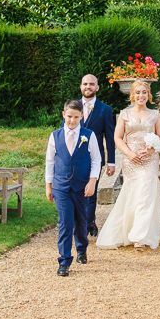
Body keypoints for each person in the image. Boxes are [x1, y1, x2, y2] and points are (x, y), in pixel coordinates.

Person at [97, 80, 160, 250]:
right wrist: (129, 154)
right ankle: (127, 230)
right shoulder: (125, 114)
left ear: (148, 94)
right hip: (131, 160)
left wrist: (152, 149)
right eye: (138, 92)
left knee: (146, 192)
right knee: (133, 193)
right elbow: (117, 137)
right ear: (132, 95)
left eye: (144, 92)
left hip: (149, 159)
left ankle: (139, 236)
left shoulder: (155, 114)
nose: (141, 95)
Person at [44, 99, 101, 276]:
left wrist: (92, 181)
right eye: (69, 116)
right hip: (61, 186)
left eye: (76, 117)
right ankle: (64, 261)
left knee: (81, 221)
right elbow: (50, 162)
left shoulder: (88, 135)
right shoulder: (55, 136)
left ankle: (81, 249)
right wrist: (48, 185)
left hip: (82, 186)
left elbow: (96, 159)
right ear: (63, 114)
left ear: (81, 116)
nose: (72, 120)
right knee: (65, 222)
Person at [77, 73, 116, 237]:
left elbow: (110, 137)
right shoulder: (73, 107)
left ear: (97, 87)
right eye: (85, 84)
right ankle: (82, 221)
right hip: (74, 158)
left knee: (91, 190)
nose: (88, 86)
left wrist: (111, 162)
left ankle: (87, 223)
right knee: (76, 190)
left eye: (91, 84)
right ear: (81, 86)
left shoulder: (105, 109)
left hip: (95, 158)